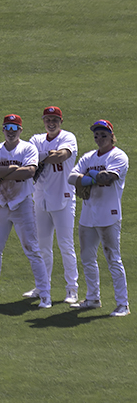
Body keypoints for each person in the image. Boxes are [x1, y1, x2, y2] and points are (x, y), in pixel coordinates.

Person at [0, 114, 51, 308]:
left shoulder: (28, 148)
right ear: (3, 129)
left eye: (14, 128)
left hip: (23, 204)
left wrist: (2, 172)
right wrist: (13, 169)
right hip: (0, 204)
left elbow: (29, 172)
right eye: (7, 127)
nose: (11, 131)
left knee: (32, 249)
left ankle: (45, 293)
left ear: (20, 130)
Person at [68, 120, 130, 317]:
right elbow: (71, 177)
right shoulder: (89, 156)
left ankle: (123, 304)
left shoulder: (118, 156)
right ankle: (93, 298)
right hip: (88, 214)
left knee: (113, 258)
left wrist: (87, 177)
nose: (99, 138)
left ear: (111, 136)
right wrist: (93, 177)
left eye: (103, 135)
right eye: (97, 135)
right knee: (87, 257)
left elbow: (108, 178)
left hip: (109, 214)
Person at [26, 106, 79, 304]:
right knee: (42, 247)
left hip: (63, 198)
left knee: (66, 245)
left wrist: (40, 157)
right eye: (48, 119)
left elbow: (61, 156)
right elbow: (28, 159)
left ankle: (72, 289)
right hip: (40, 199)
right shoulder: (36, 139)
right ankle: (42, 286)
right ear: (43, 120)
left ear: (61, 121)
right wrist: (44, 155)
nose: (51, 122)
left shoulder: (68, 137)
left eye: (55, 119)